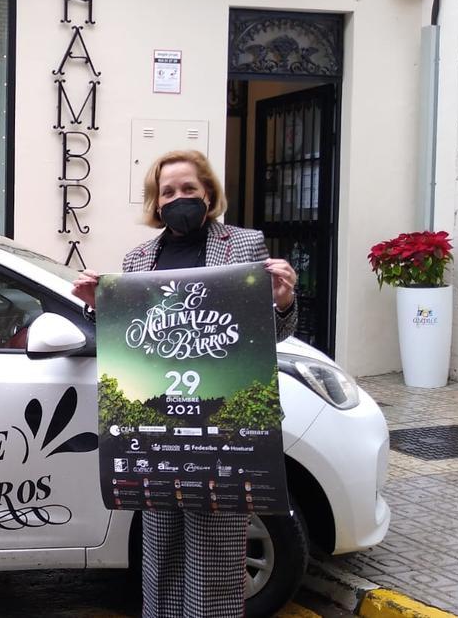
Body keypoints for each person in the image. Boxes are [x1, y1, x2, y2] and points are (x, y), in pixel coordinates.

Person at [71, 149, 297, 618]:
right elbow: (129, 342)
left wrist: (281, 302)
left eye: (188, 188)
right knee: (162, 546)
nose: (179, 199)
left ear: (208, 192)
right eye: (168, 192)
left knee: (215, 551)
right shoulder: (138, 259)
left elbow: (268, 337)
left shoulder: (243, 246)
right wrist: (99, 305)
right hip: (159, 424)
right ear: (156, 202)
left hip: (222, 425)